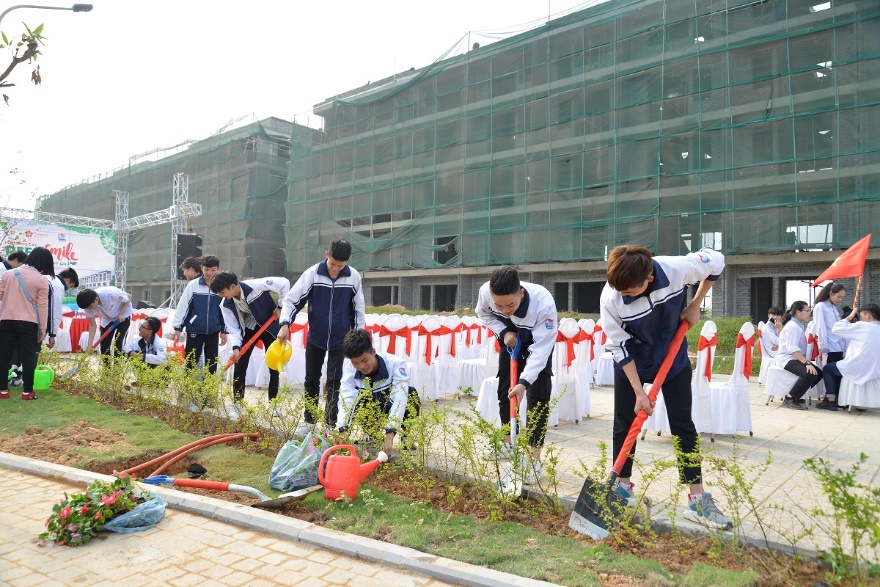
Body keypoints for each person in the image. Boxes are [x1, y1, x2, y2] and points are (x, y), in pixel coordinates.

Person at [600, 245, 732, 529]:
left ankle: (697, 501)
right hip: (633, 361)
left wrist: (695, 304)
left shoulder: (678, 268)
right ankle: (621, 489)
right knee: (623, 424)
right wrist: (639, 393)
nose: (623, 296)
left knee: (683, 425)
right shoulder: (611, 296)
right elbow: (619, 346)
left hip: (672, 359)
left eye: (629, 292)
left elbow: (717, 261)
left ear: (648, 278)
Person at [475, 265, 556, 485]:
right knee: (504, 392)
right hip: (510, 339)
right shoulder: (485, 292)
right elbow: (483, 314)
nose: (505, 309)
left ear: (520, 293)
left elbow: (540, 351)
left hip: (536, 342)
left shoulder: (543, 303)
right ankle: (508, 443)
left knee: (538, 399)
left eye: (510, 304)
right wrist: (503, 331)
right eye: (499, 305)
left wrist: (524, 382)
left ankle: (534, 459)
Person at [277, 239, 366, 436]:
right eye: (332, 264)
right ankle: (309, 421)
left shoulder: (353, 277)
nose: (335, 269)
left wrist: (360, 336)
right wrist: (285, 324)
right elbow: (291, 301)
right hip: (316, 336)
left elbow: (358, 308)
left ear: (347, 262)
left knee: (335, 381)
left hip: (340, 339)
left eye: (340, 266)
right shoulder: (313, 274)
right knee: (311, 379)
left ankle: (330, 423)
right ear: (327, 255)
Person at [211, 271, 290, 419]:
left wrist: (280, 306)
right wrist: (236, 348)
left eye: (222, 292)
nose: (221, 296)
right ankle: (238, 404)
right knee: (240, 364)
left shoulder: (256, 286)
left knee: (273, 366)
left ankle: (274, 405)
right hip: (250, 328)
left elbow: (284, 282)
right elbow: (233, 328)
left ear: (233, 286)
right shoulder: (225, 304)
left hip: (269, 325)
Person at [335, 329, 420, 454]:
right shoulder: (350, 371)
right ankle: (372, 434)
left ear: (373, 352)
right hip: (371, 409)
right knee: (360, 399)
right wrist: (342, 430)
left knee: (410, 393)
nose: (361, 367)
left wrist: (390, 432)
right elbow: (346, 400)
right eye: (355, 363)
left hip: (389, 405)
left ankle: (406, 436)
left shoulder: (396, 364)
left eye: (364, 360)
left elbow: (399, 398)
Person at [0, 250, 48, 400]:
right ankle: (27, 392)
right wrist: (43, 328)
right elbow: (42, 305)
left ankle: (2, 391)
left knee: (3, 356)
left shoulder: (7, 274)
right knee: (28, 357)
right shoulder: (41, 280)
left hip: (6, 320)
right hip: (29, 323)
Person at [171, 255, 226, 375]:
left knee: (212, 363)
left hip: (213, 331)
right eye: (206, 269)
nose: (209, 273)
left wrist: (224, 330)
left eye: (213, 270)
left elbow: (224, 311)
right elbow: (183, 306)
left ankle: (209, 393)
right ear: (201, 268)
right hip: (194, 329)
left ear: (218, 269)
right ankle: (188, 391)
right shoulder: (193, 285)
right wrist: (178, 327)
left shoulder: (221, 287)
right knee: (191, 361)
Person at [820, 304, 880, 409]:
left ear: (869, 316)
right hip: (875, 370)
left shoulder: (863, 326)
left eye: (861, 316)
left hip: (855, 367)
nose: (860, 319)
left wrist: (850, 316)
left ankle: (831, 401)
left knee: (828, 368)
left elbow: (836, 329)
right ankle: (860, 404)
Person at [775, 300, 823, 410]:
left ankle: (796, 394)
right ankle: (790, 398)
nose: (809, 313)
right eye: (807, 311)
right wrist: (806, 363)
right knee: (810, 374)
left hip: (794, 358)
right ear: (798, 312)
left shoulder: (798, 326)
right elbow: (793, 349)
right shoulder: (793, 327)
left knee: (819, 373)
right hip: (787, 358)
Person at [812, 283, 847, 411]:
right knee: (832, 372)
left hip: (837, 345)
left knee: (836, 373)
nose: (840, 300)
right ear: (831, 293)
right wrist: (823, 346)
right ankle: (832, 399)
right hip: (830, 345)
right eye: (839, 296)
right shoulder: (820, 306)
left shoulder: (833, 308)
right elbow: (820, 328)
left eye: (842, 298)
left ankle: (834, 399)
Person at [76, 287, 133, 356]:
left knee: (118, 342)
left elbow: (129, 297)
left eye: (90, 306)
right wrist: (89, 345)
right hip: (107, 318)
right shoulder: (87, 306)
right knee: (104, 343)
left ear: (96, 299)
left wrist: (121, 314)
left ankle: (117, 365)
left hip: (123, 315)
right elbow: (93, 325)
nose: (89, 309)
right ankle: (106, 366)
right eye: (87, 308)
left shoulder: (109, 294)